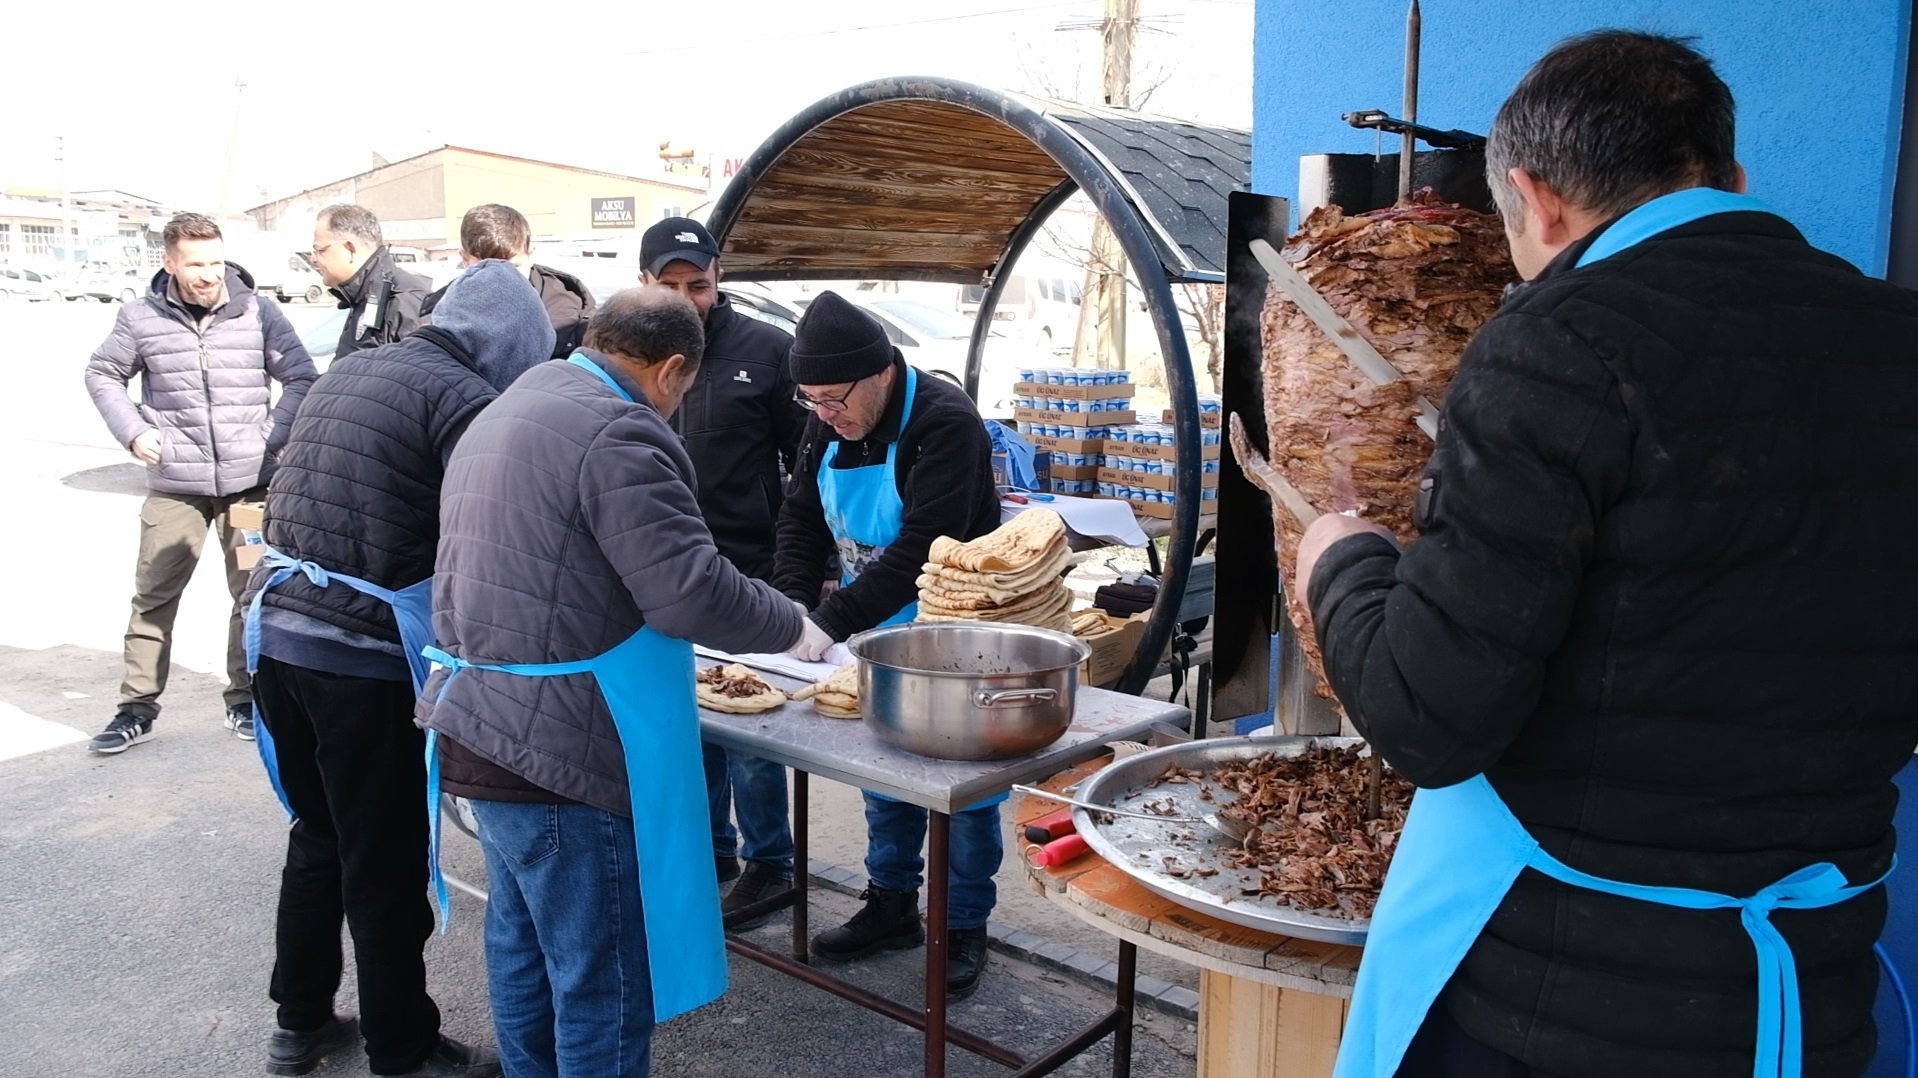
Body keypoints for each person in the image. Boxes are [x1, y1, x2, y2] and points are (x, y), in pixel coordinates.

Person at [1296, 31, 1918, 1078]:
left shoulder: (1560, 342)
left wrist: (1342, 561)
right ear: (1731, 179)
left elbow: (1428, 719)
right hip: (1807, 999)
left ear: (1535, 202)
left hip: (1564, 1008)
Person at [417, 287, 830, 1076]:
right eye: (684, 389)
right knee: (598, 979)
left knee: (523, 946)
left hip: (479, 723)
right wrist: (789, 625)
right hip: (563, 750)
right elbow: (689, 590)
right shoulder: (618, 428)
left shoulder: (519, 399)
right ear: (672, 369)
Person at [242, 261, 551, 1078]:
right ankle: (402, 1049)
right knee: (385, 855)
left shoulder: (356, 366)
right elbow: (488, 537)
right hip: (359, 657)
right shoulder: (465, 401)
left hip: (276, 634)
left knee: (320, 832)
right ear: (511, 346)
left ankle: (299, 1021)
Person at [770, 291, 1002, 997]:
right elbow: (800, 517)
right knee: (885, 773)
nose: (823, 415)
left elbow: (921, 547)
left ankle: (963, 924)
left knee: (963, 790)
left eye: (833, 400)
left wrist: (831, 621)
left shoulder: (945, 423)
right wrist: (793, 603)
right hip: (873, 632)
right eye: (809, 401)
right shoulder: (827, 422)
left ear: (881, 373)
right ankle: (892, 902)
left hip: (956, 632)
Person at [82, 212, 317, 753]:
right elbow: (103, 373)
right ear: (170, 263)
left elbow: (302, 377)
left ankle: (247, 699)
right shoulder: (140, 317)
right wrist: (134, 431)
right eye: (195, 264)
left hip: (250, 487)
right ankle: (136, 708)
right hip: (176, 486)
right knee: (154, 595)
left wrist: (271, 436)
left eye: (215, 262)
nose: (209, 274)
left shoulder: (258, 312)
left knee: (253, 593)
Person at [637, 216, 810, 920]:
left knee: (751, 727)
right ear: (644, 283)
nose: (687, 299)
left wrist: (808, 568)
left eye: (699, 285)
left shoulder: (768, 351)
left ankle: (771, 862)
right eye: (670, 285)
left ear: (719, 279)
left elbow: (807, 465)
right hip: (662, 570)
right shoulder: (632, 349)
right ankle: (712, 848)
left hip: (749, 566)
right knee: (686, 715)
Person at [419, 203, 595, 358]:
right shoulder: (438, 311)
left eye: (513, 267)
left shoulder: (569, 315)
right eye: (485, 268)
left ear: (531, 254)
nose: (501, 279)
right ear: (464, 258)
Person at [309, 203, 430, 359]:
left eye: (319, 250)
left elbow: (421, 370)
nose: (313, 259)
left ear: (350, 248)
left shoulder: (404, 299)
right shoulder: (363, 295)